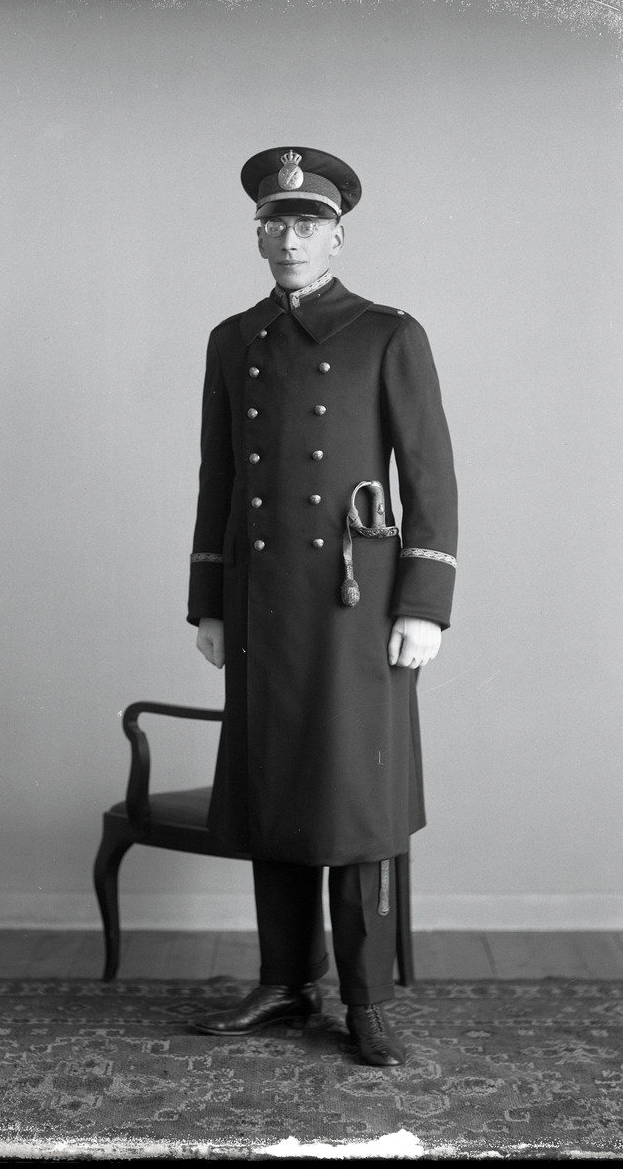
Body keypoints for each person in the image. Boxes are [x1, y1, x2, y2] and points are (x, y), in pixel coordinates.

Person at [187, 146, 458, 1067]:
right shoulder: (234, 339)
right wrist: (208, 601)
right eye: (275, 222)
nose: (290, 238)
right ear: (258, 234)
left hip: (356, 608)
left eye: (307, 223)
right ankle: (285, 983)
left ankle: (366, 998)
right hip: (260, 604)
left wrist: (424, 604)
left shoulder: (388, 333)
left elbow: (430, 479)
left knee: (355, 798)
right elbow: (219, 477)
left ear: (337, 236)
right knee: (275, 788)